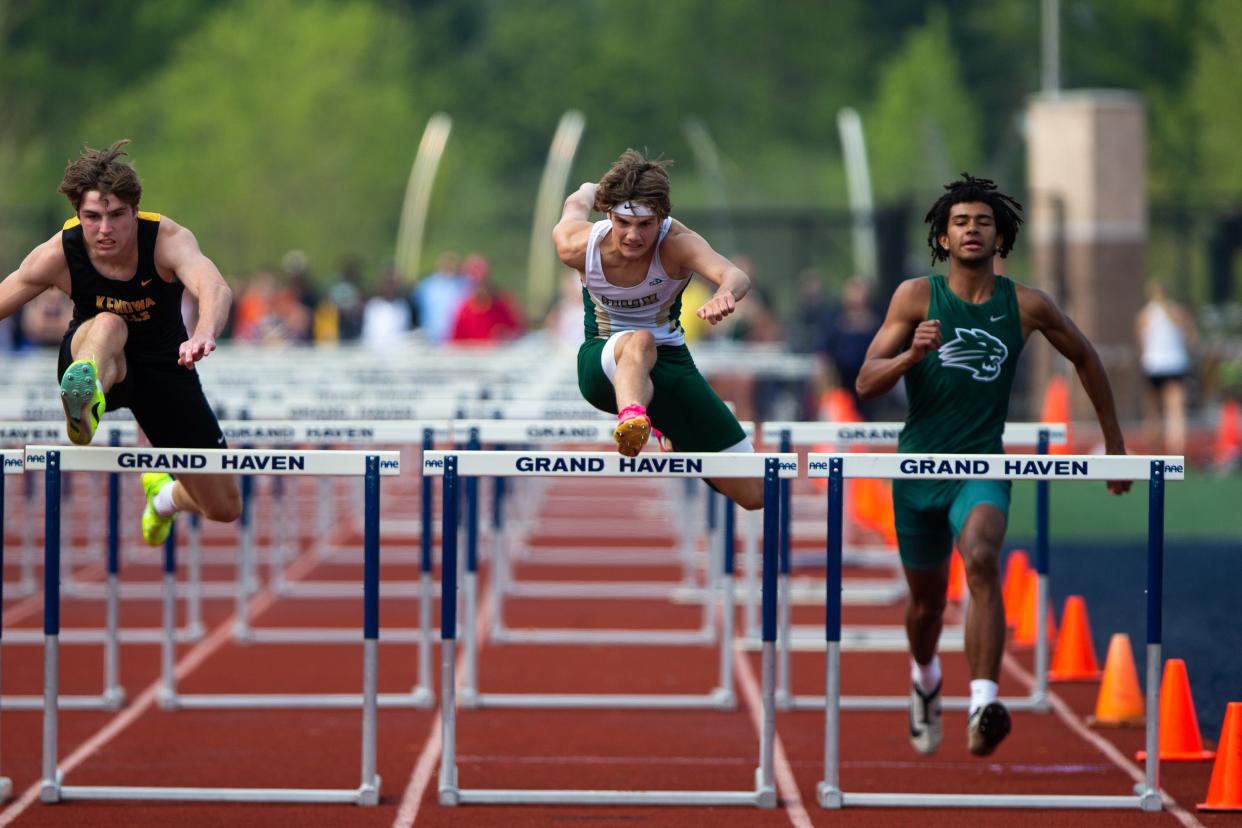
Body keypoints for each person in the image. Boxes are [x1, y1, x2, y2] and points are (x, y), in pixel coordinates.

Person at [855, 173, 1130, 757]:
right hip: (917, 473)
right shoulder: (914, 297)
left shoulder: (1027, 304)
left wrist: (1116, 446)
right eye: (960, 222)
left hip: (981, 464)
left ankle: (983, 702)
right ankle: (926, 679)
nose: (972, 229)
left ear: (1000, 237)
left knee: (981, 559)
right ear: (943, 239)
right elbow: (865, 381)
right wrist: (912, 354)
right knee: (925, 606)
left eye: (983, 221)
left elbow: (1086, 357)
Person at [0, 140, 241, 546]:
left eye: (115, 216)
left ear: (135, 210)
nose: (105, 229)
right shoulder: (60, 253)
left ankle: (163, 498)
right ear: (78, 214)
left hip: (165, 369)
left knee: (224, 507)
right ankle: (86, 397)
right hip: (96, 353)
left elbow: (214, 286)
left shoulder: (166, 238)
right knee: (110, 323)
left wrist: (204, 332)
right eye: (92, 217)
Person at [552, 148, 763, 510]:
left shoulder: (677, 245)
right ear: (608, 213)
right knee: (640, 340)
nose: (633, 236)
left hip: (671, 365)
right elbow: (575, 203)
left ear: (662, 218)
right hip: (602, 364)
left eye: (645, 225)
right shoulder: (578, 245)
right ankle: (633, 417)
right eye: (623, 223)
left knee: (756, 494)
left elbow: (734, 274)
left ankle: (671, 430)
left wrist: (725, 295)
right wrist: (594, 187)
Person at [1136, 280, 1196, 455]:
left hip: (1158, 364)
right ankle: (1171, 450)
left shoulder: (1146, 315)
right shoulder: (1174, 313)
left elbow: (1140, 341)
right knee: (1170, 410)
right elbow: (1190, 337)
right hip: (1168, 364)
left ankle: (1164, 451)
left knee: (1159, 410)